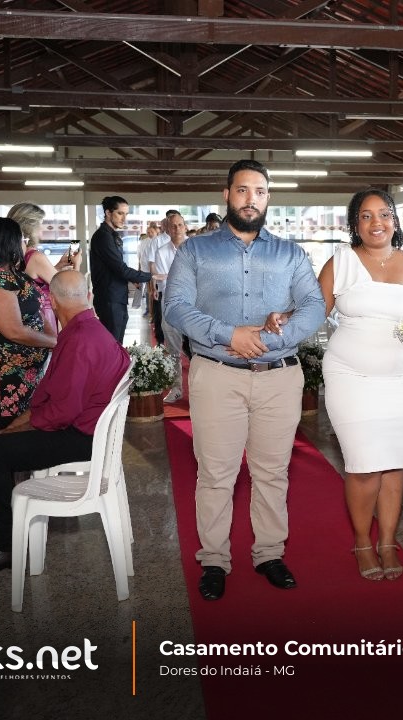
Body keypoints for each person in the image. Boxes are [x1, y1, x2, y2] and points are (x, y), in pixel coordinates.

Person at [164, 159, 325, 602]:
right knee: (216, 474)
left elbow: (313, 306)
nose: (250, 199)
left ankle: (270, 553)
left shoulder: (291, 254)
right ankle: (214, 560)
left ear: (268, 198)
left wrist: (270, 339)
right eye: (242, 190)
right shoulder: (195, 251)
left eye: (259, 191)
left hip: (279, 377)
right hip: (217, 375)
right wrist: (228, 334)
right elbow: (175, 307)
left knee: (272, 472)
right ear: (227, 194)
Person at [0, 270, 130, 575]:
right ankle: (5, 534)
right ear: (89, 297)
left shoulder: (79, 340)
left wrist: (17, 430)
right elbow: (51, 398)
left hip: (82, 437)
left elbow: (61, 412)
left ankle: (5, 545)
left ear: (52, 302)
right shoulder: (91, 330)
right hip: (91, 430)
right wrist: (15, 426)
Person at [319, 188, 403, 581]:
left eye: (384, 214)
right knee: (363, 465)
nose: (377, 223)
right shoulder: (340, 263)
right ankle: (361, 541)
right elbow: (312, 314)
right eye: (367, 215)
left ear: (395, 220)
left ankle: (387, 542)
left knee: (395, 463)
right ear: (355, 223)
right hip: (350, 378)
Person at [0, 217, 56, 437]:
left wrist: (51, 336)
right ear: (10, 242)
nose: (24, 243)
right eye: (21, 239)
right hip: (7, 376)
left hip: (28, 373)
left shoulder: (12, 275)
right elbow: (14, 331)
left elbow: (36, 309)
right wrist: (54, 342)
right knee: (8, 434)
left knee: (28, 434)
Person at [10, 202, 81, 333]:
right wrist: (77, 264)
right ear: (31, 227)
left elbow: (35, 281)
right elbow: (69, 289)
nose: (42, 228)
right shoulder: (35, 257)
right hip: (43, 318)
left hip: (25, 315)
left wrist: (58, 266)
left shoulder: (17, 254)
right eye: (40, 224)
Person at [89, 195, 152, 343]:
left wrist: (134, 279)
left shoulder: (111, 235)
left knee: (117, 344)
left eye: (126, 214)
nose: (124, 218)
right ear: (108, 213)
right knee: (112, 344)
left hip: (116, 296)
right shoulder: (103, 236)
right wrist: (150, 276)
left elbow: (116, 268)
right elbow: (120, 269)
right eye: (120, 213)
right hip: (109, 298)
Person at [152, 213, 186, 403]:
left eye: (180, 225)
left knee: (198, 349)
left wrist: (170, 276)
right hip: (170, 303)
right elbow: (162, 281)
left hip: (194, 303)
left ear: (185, 226)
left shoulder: (195, 248)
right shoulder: (162, 252)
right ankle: (176, 388)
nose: (177, 229)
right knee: (173, 348)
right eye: (173, 226)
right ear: (167, 229)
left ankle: (201, 389)